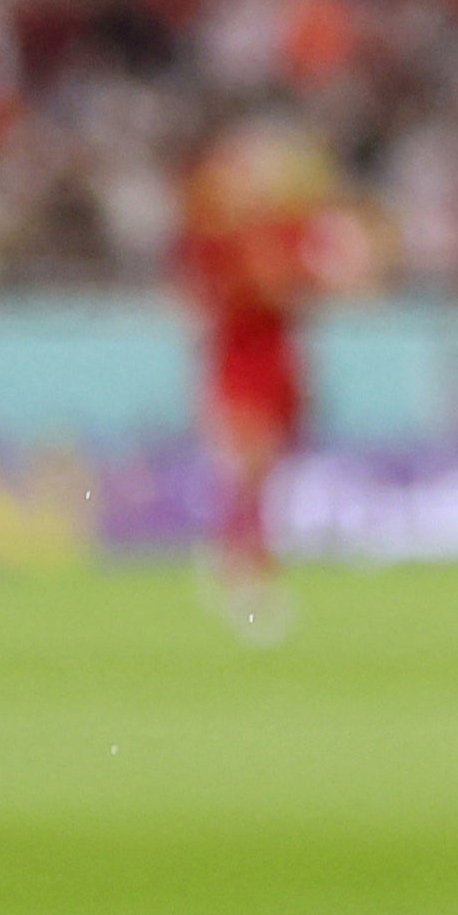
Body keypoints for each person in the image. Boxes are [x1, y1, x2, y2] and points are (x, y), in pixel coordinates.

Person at [176, 120, 324, 644]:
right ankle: (244, 571)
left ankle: (239, 562)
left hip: (278, 365)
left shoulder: (284, 229)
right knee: (248, 468)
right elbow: (230, 295)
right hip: (238, 365)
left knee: (263, 473)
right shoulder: (218, 237)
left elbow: (304, 288)